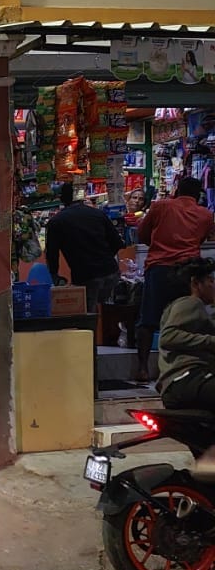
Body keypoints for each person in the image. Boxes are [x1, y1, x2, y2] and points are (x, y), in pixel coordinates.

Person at [135, 176, 215, 383]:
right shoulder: (206, 215)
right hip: (188, 272)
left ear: (177, 190)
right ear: (198, 194)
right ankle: (186, 367)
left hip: (159, 267)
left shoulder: (160, 206)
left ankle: (143, 369)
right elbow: (201, 239)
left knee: (148, 319)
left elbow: (142, 235)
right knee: (188, 320)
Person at [157, 258, 215, 477]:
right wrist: (210, 342)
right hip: (189, 379)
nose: (213, 285)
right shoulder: (190, 303)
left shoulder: (182, 307)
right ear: (195, 283)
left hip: (177, 388)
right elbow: (169, 337)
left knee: (207, 457)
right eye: (210, 280)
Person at [44, 182, 124, 313]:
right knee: (111, 315)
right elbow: (117, 242)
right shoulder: (98, 214)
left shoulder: (56, 222)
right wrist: (105, 258)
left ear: (62, 198)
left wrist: (55, 276)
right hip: (110, 271)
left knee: (89, 316)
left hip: (85, 275)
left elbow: (52, 254)